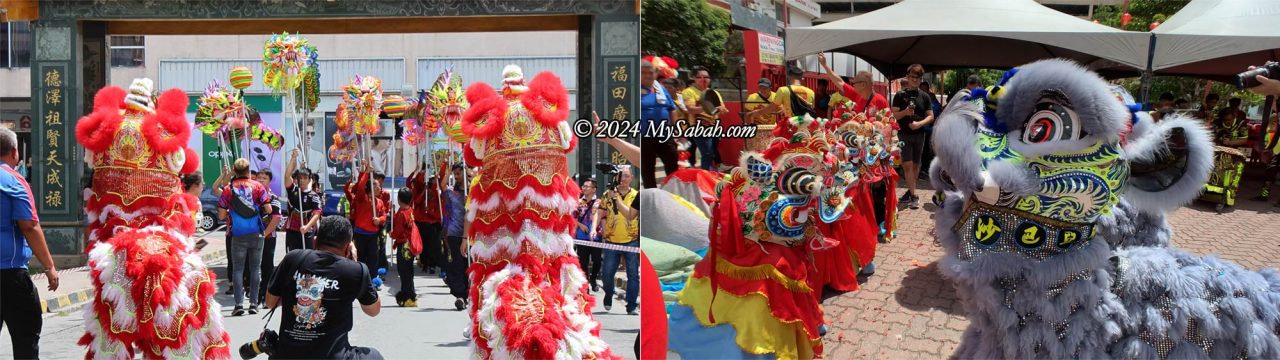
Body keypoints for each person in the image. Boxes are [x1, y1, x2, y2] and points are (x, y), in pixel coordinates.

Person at [266, 216, 382, 359]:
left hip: (288, 355)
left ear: (315, 241)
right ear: (347, 247)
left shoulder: (293, 258)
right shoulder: (356, 270)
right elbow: (373, 310)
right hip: (332, 357)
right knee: (374, 356)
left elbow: (270, 302)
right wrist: (355, 264)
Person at [0, 128, 58, 359]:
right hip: (10, 275)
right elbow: (29, 226)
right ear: (15, 153)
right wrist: (50, 267)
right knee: (25, 341)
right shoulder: (14, 180)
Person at [217, 158, 273, 316]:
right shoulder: (258, 186)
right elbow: (268, 209)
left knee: (238, 269)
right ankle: (254, 304)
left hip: (237, 234)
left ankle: (239, 304)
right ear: (249, 171)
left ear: (234, 171)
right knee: (256, 269)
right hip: (256, 232)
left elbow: (221, 215)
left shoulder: (228, 189)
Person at [891, 64, 935, 209]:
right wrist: (905, 113)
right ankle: (914, 195)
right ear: (907, 77)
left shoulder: (925, 96)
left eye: (918, 78)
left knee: (916, 165)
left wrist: (919, 124)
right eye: (913, 77)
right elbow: (894, 115)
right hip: (903, 134)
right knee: (907, 164)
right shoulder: (899, 95)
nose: (915, 80)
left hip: (919, 135)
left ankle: (910, 192)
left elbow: (930, 116)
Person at [599, 166, 639, 315]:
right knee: (607, 274)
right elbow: (600, 213)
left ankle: (632, 305)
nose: (623, 179)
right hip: (611, 241)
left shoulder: (637, 195)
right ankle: (609, 293)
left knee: (633, 275)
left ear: (632, 178)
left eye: (626, 176)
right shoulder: (607, 195)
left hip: (632, 241)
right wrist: (594, 229)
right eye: (620, 176)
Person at [346, 160, 388, 282]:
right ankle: (358, 278)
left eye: (379, 186)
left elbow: (384, 215)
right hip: (360, 234)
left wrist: (379, 220)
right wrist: (366, 172)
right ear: (371, 188)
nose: (379, 187)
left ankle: (373, 279)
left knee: (373, 258)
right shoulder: (361, 198)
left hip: (373, 235)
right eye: (376, 186)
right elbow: (360, 186)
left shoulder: (379, 202)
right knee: (360, 257)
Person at [640, 59, 679, 188]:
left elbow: (671, 108)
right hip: (644, 136)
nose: (647, 75)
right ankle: (651, 196)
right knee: (648, 168)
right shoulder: (634, 89)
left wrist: (675, 129)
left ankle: (672, 193)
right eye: (643, 73)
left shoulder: (661, 89)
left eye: (650, 72)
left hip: (664, 134)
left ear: (655, 74)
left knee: (672, 164)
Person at [817, 53, 891, 119]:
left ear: (863, 85)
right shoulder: (857, 95)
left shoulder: (881, 101)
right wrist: (825, 65)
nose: (853, 85)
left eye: (854, 83)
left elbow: (889, 123)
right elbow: (839, 81)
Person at [682, 66, 728, 170]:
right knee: (707, 154)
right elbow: (690, 109)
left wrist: (722, 109)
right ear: (693, 78)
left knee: (712, 153)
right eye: (700, 77)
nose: (703, 79)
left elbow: (722, 108)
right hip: (699, 127)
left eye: (706, 77)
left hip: (714, 126)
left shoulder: (714, 93)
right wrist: (710, 107)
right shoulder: (689, 91)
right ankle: (705, 178)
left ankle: (709, 176)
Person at [407, 159, 443, 275]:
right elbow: (415, 198)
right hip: (421, 221)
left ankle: (432, 265)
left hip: (433, 223)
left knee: (433, 245)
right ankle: (424, 262)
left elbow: (439, 208)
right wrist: (417, 171)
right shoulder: (419, 187)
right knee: (423, 245)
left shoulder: (436, 188)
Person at [441, 164, 468, 310]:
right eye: (455, 174)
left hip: (470, 234)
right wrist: (447, 172)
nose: (457, 176)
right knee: (456, 265)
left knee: (467, 266)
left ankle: (468, 293)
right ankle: (460, 296)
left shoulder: (473, 191)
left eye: (459, 173)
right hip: (453, 233)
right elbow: (443, 185)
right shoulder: (451, 192)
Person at [284, 150, 322, 252]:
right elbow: (287, 176)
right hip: (292, 232)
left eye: (305, 178)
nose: (302, 180)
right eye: (300, 178)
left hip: (306, 232)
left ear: (310, 180)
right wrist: (293, 158)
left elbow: (316, 214)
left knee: (306, 258)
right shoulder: (293, 190)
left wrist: (306, 227)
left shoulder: (313, 196)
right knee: (291, 257)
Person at [573, 177, 605, 292]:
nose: (585, 188)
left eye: (587, 186)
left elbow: (603, 218)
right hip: (581, 237)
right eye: (583, 186)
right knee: (583, 262)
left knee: (597, 260)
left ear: (594, 189)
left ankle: (593, 278)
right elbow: (573, 218)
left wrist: (603, 232)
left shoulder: (599, 203)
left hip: (596, 237)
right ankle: (585, 285)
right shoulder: (578, 202)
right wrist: (580, 226)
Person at [256, 169, 283, 305]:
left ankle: (265, 295)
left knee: (267, 267)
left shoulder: (273, 198)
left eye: (264, 178)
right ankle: (253, 297)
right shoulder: (251, 196)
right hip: (251, 238)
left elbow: (276, 219)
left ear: (269, 181)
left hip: (268, 238)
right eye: (259, 177)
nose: (260, 180)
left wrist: (263, 235)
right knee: (253, 267)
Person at [389, 188, 418, 307]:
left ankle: (409, 297)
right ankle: (409, 295)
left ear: (399, 199)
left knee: (404, 272)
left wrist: (391, 234)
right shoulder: (409, 210)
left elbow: (397, 231)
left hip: (404, 246)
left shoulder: (402, 213)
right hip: (409, 246)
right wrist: (393, 211)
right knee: (408, 272)